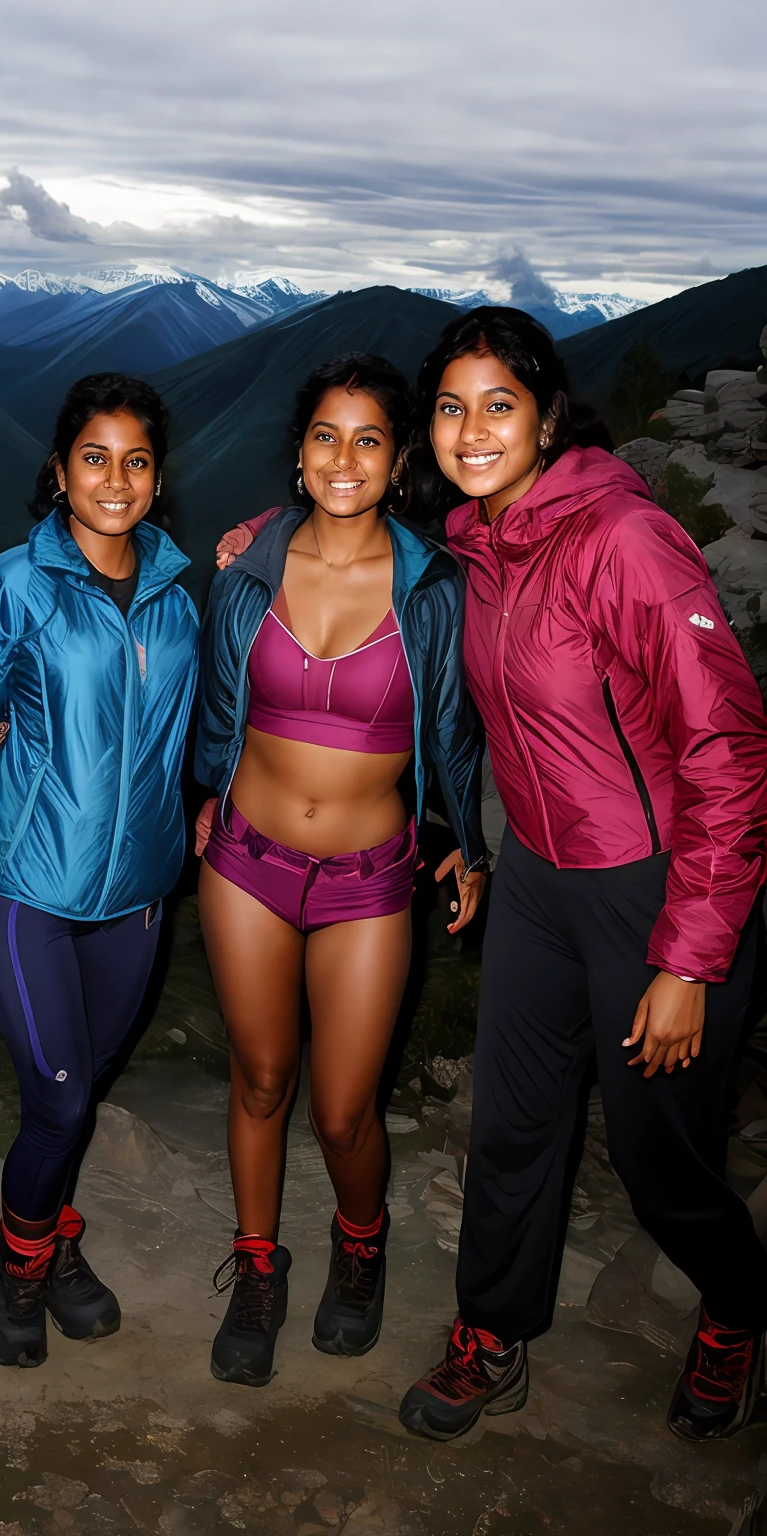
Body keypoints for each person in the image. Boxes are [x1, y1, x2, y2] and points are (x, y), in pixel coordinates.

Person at [393, 307, 767, 1444]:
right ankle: (491, 1333)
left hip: (658, 890)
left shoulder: (626, 540)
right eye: (451, 408)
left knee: (661, 1158)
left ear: (548, 418)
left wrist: (689, 960)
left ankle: (739, 1308)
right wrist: (260, 533)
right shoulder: (483, 539)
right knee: (510, 1125)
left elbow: (730, 749)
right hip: (543, 888)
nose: (471, 429)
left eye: (497, 405)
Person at [201, 354, 489, 1388]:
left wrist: (464, 835)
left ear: (401, 457)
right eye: (327, 435)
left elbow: (458, 727)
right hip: (246, 861)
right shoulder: (247, 569)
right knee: (263, 1077)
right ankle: (257, 1265)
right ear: (299, 450)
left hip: (372, 874)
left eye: (370, 438)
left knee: (343, 1109)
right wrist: (202, 787)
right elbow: (217, 705)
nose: (345, 458)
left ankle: (358, 1245)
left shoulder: (433, 585)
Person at [0, 373, 199, 1368]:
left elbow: (186, 738)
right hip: (24, 889)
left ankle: (53, 1236)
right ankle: (20, 1266)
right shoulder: (13, 585)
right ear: (59, 471)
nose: (116, 479)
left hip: (137, 895)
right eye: (94, 457)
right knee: (57, 1098)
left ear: (157, 477)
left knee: (82, 1088)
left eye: (136, 461)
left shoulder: (180, 602)